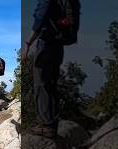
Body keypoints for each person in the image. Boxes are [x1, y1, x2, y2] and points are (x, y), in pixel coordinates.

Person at [23, 0, 78, 138]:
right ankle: (51, 124)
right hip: (58, 45)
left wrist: (28, 43)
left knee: (41, 83)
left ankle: (45, 125)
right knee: (51, 83)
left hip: (46, 44)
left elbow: (40, 19)